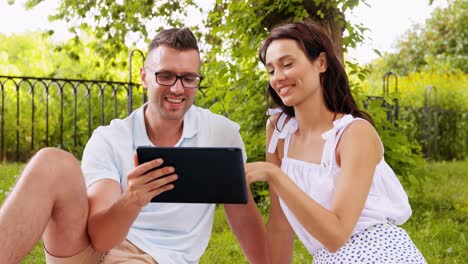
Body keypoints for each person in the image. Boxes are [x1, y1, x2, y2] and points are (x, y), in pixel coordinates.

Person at [0, 27, 269, 264]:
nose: (177, 89)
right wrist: (133, 199)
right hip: (90, 250)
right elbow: (101, 240)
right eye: (165, 76)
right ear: (144, 77)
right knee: (51, 162)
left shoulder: (221, 134)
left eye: (188, 78)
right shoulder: (110, 138)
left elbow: (243, 218)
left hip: (153, 258)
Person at [244, 21, 426, 263]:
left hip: (381, 253)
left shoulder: (354, 134)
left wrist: (274, 175)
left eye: (287, 64)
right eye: (271, 70)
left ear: (321, 62)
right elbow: (280, 224)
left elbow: (336, 235)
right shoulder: (279, 132)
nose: (278, 77)